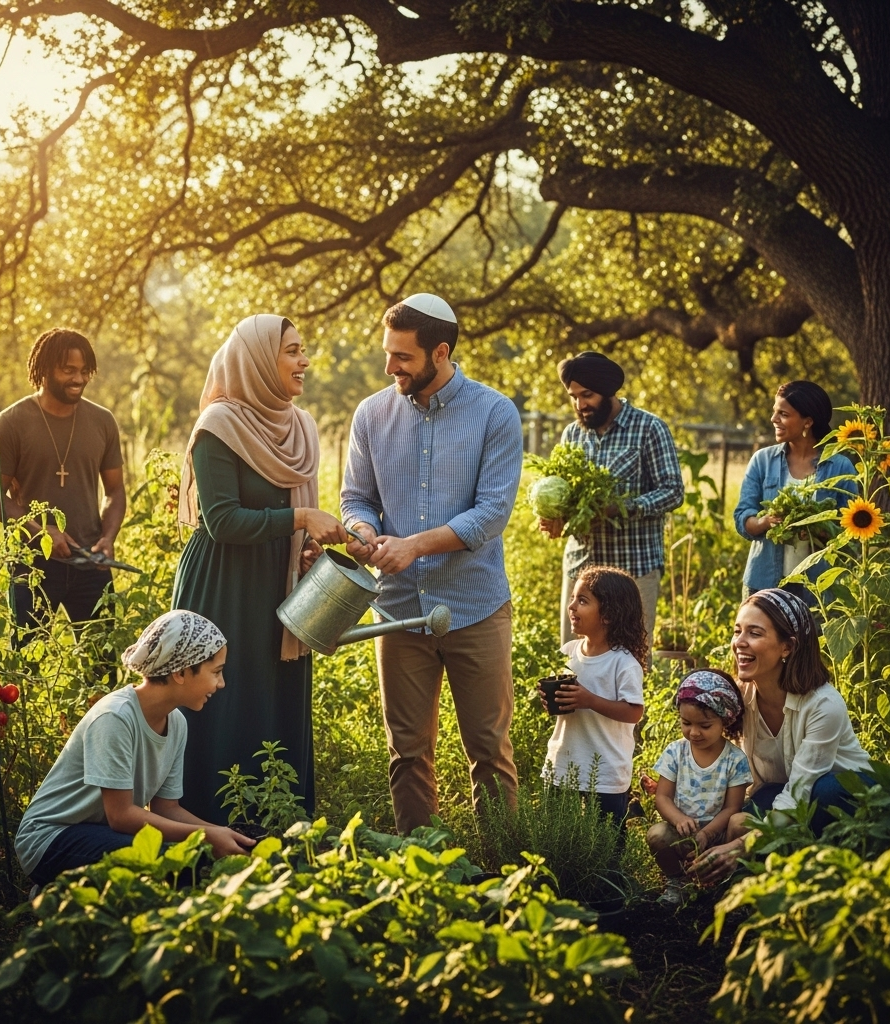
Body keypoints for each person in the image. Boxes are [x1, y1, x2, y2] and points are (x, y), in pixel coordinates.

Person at [341, 293, 524, 834]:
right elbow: (355, 499)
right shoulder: (372, 414)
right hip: (399, 609)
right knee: (407, 750)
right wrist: (364, 531)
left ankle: (503, 871)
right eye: (388, 354)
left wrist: (414, 545)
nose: (389, 367)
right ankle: (417, 869)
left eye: (402, 357)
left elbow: (491, 514)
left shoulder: (495, 413)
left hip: (476, 606)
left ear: (440, 352)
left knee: (489, 750)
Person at [172, 314, 346, 824]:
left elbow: (294, 522)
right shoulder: (218, 426)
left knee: (277, 700)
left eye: (303, 349)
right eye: (292, 351)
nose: (304, 361)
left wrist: (305, 549)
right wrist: (299, 517)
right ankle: (214, 833)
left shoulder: (300, 426)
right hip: (225, 586)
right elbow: (222, 519)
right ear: (256, 360)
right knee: (226, 701)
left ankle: (283, 831)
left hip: (279, 585)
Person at [14, 610, 256, 888]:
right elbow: (121, 816)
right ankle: (57, 896)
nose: (221, 683)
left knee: (190, 857)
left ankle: (74, 897)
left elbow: (166, 808)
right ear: (180, 671)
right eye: (216, 672)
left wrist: (224, 834)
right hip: (51, 838)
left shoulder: (176, 723)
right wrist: (204, 836)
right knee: (169, 863)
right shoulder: (115, 717)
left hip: (99, 832)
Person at [687, 589, 873, 887]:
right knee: (741, 819)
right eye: (738, 631)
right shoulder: (741, 696)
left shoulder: (823, 705)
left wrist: (740, 845)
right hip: (783, 791)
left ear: (787, 647)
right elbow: (717, 755)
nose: (740, 643)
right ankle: (748, 891)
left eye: (755, 633)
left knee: (823, 792)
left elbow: (802, 793)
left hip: (845, 796)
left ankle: (831, 877)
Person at [0, 328, 126, 640]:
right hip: (32, 568)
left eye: (85, 371)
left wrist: (108, 537)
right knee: (28, 667)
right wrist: (40, 530)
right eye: (68, 370)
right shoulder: (12, 422)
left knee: (102, 665)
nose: (79, 379)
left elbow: (115, 491)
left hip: (91, 564)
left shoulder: (103, 421)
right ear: (43, 369)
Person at [538, 352, 683, 647]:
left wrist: (623, 508)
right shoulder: (572, 435)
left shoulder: (649, 429)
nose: (580, 405)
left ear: (607, 391)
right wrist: (556, 516)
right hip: (582, 566)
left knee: (630, 657)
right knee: (574, 656)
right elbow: (565, 493)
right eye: (573, 396)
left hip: (634, 567)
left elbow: (673, 491)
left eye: (587, 395)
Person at [540, 566, 646, 827]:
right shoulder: (570, 652)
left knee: (606, 846)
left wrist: (589, 701)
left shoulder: (623, 663)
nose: (572, 606)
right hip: (563, 764)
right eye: (573, 598)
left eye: (583, 601)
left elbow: (634, 711)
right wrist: (550, 699)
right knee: (558, 838)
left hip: (605, 772)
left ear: (608, 615)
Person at [734, 380, 856, 598]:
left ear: (807, 422)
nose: (774, 419)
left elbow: (851, 531)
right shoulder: (762, 461)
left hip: (817, 588)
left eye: (783, 414)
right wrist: (765, 522)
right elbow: (742, 516)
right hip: (764, 584)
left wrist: (819, 529)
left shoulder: (840, 467)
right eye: (774, 412)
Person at [646, 669, 753, 906]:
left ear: (725, 720)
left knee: (743, 821)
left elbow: (732, 808)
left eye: (705, 725)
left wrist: (708, 833)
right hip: (684, 833)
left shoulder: (734, 759)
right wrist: (679, 820)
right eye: (686, 723)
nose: (694, 732)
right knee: (657, 834)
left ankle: (729, 884)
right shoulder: (676, 752)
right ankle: (679, 881)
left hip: (721, 835)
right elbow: (662, 797)